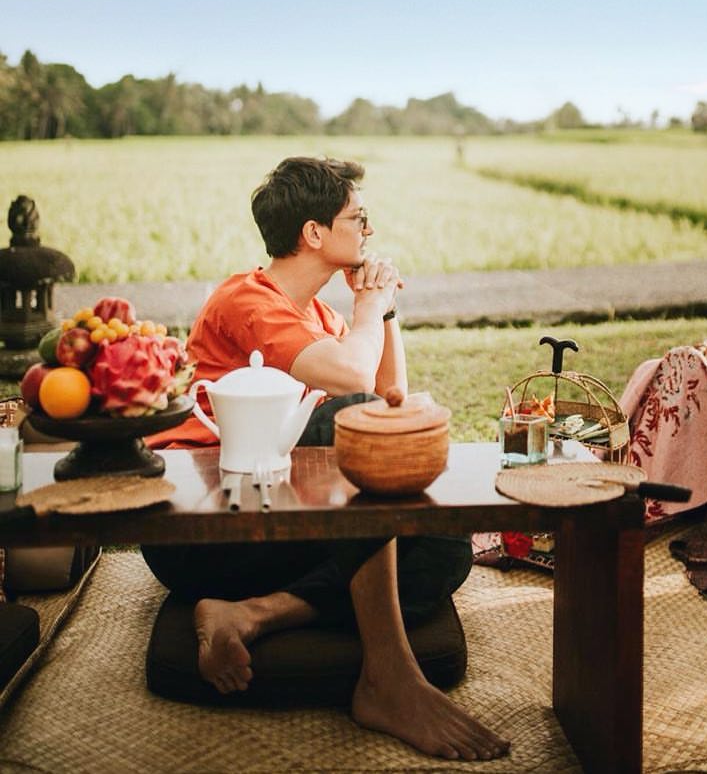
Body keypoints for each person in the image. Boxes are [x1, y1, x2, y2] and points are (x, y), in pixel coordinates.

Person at [142, 157, 509, 762]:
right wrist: (368, 311)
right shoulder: (246, 299)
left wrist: (381, 309)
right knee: (353, 418)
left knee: (447, 547)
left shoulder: (320, 316)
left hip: (273, 516)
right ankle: (389, 676)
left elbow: (390, 392)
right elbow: (357, 384)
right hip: (201, 529)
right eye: (358, 218)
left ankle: (252, 615)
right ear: (314, 232)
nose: (369, 230)